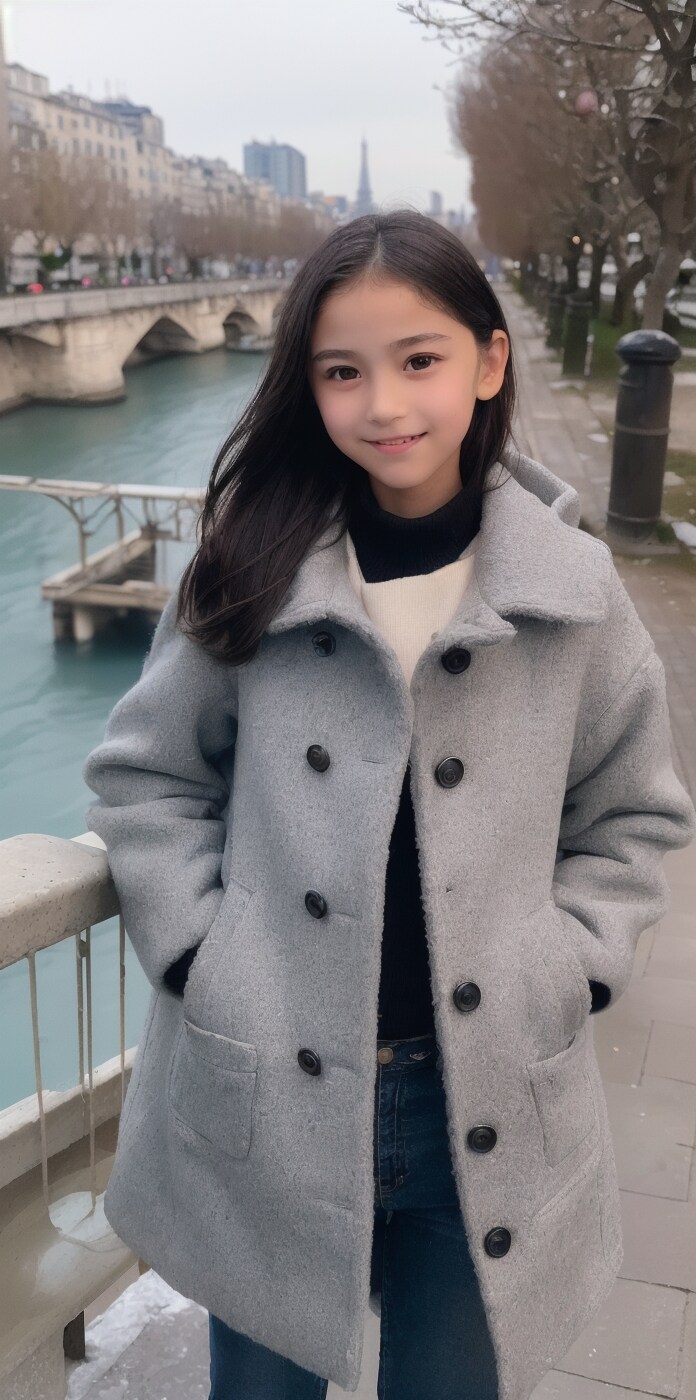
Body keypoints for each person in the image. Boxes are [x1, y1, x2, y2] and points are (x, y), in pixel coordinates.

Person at [82, 209, 696, 1400]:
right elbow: (146, 774)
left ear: (490, 360)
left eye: (419, 359)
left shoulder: (574, 590)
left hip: (491, 1091)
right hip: (264, 1082)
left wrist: (571, 966)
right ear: (305, 386)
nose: (384, 403)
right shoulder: (248, 563)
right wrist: (205, 954)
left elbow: (631, 812)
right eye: (341, 372)